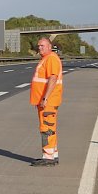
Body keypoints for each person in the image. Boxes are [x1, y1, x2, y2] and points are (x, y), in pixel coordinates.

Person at [29, 36, 64, 166]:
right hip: (45, 101)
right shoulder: (46, 59)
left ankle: (48, 157)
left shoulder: (51, 59)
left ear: (49, 46)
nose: (40, 48)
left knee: (46, 128)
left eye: (42, 46)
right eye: (38, 46)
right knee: (50, 127)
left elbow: (53, 78)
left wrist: (45, 97)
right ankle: (53, 154)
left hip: (48, 101)